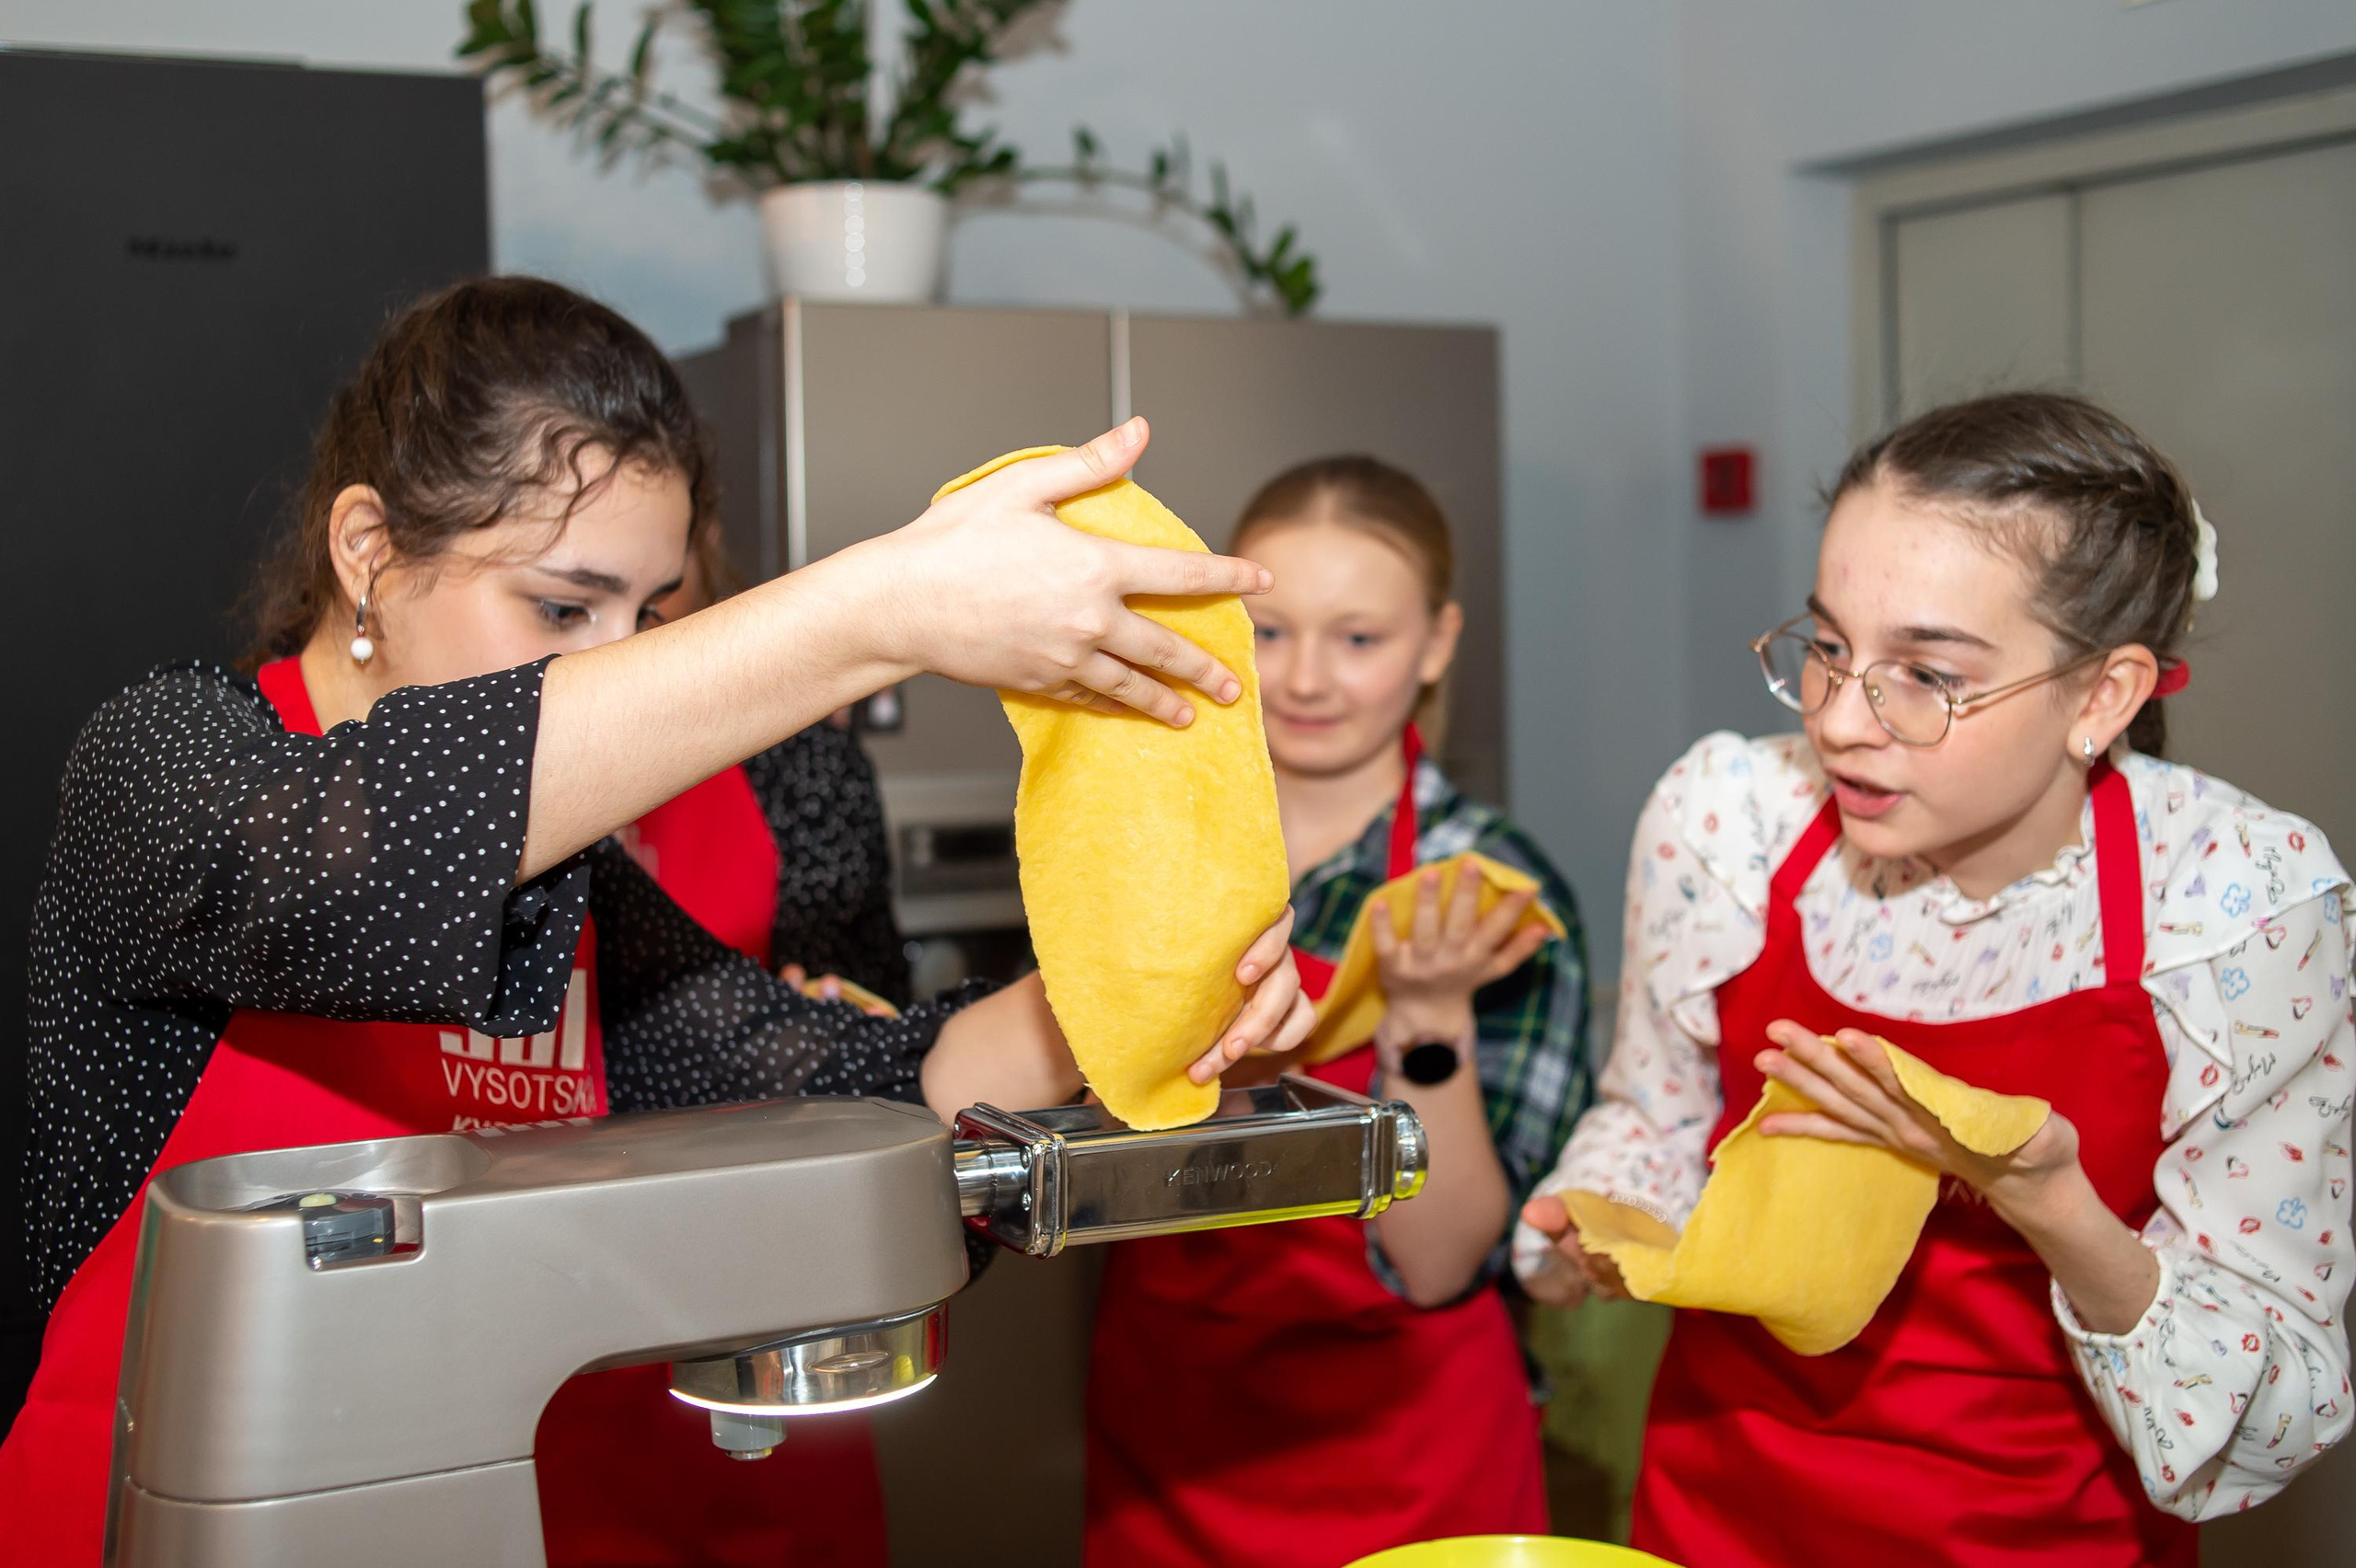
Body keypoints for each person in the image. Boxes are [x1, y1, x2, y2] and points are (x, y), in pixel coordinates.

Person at [2, 277, 1313, 1567]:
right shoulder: (164, 771)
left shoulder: (578, 892)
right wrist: (882, 608)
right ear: (368, 553)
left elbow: (840, 1096)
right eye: (563, 608)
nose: (619, 657)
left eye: (651, 614)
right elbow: (372, 863)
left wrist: (1129, 1001)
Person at [1516, 393, 2353, 1567]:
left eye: (1925, 674)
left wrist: (2054, 1205)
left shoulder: (2232, 908)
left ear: (2102, 696)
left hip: (2040, 1537)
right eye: (1827, 648)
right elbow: (1655, 1112)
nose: (1842, 721)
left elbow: (2272, 1406)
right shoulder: (1731, 825)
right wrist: (1602, 1219)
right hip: (1716, 1513)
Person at [1085, 455, 1592, 1567]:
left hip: (1406, 1466)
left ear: (1438, 644)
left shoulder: (1489, 894)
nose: (1306, 677)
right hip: (1166, 1435)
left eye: (1358, 638)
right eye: (1268, 633)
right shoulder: (1140, 855)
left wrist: (1423, 1018)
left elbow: (1443, 1259)